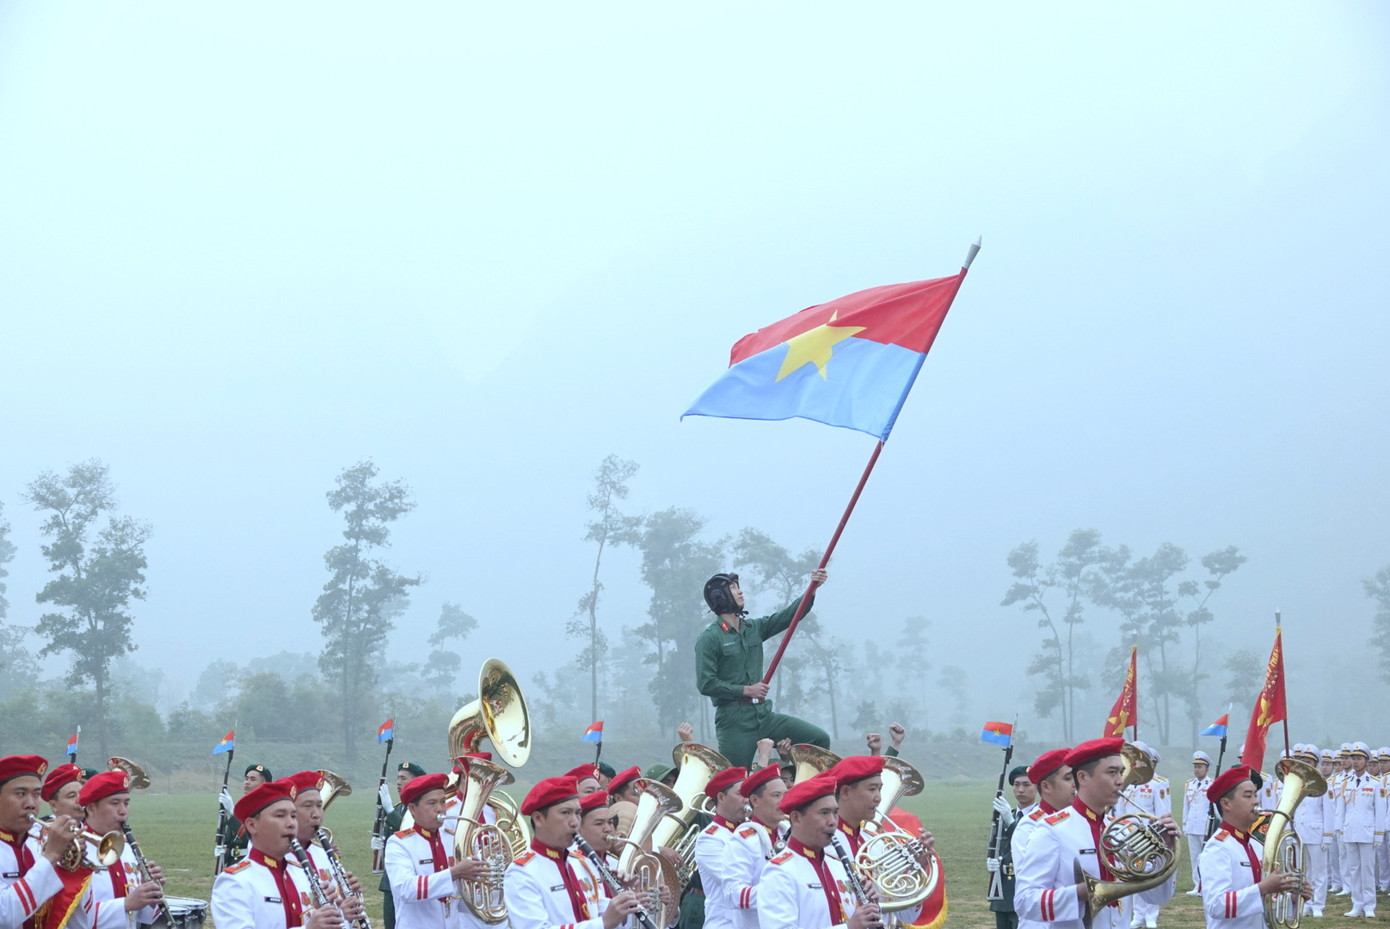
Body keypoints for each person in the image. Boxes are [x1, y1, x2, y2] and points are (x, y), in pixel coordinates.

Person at [1013, 737, 1178, 929]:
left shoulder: (1123, 830)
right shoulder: (1052, 830)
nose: (1120, 781)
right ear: (1083, 777)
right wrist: (1078, 893)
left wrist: (1165, 852)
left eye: (1121, 772)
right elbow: (1025, 902)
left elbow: (1158, 897)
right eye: (1112, 772)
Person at [694, 571, 832, 768]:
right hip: (734, 721)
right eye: (733, 588)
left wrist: (813, 588)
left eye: (738, 586)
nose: (740, 592)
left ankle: (803, 783)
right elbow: (706, 684)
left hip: (763, 715)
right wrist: (746, 690)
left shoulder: (753, 628)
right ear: (719, 596)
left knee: (818, 739)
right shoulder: (709, 638)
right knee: (736, 777)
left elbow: (790, 616)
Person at [504, 776, 645, 929]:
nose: (575, 822)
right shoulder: (522, 872)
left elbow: (606, 917)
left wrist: (623, 899)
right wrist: (603, 923)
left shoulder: (581, 863)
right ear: (538, 818)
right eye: (565, 813)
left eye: (577, 813)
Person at [211, 780, 344, 929]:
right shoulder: (234, 882)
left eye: (293, 816)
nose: (291, 823)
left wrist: (339, 914)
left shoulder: (302, 875)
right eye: (280, 816)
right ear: (252, 825)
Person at [756, 773, 877, 929]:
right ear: (796, 818)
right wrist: (848, 928)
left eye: (835, 813)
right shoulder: (779, 872)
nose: (833, 822)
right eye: (824, 813)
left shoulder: (838, 865)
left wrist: (869, 907)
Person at [1198, 765, 1309, 928]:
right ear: (1226, 804)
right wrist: (1263, 888)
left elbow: (1263, 906)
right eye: (1248, 796)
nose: (1256, 801)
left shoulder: (1256, 845)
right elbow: (1216, 905)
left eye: (1256, 795)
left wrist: (1293, 899)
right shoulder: (1218, 848)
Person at [385, 772, 491, 929]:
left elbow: (461, 899)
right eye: (432, 803)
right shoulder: (399, 843)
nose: (440, 809)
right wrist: (454, 872)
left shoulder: (453, 839)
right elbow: (406, 889)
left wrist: (485, 867)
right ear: (413, 809)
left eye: (443, 802)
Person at [0, 755, 90, 929]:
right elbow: (5, 916)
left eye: (36, 795)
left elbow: (72, 919)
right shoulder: (47, 850)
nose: (31, 804)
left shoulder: (36, 845)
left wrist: (70, 867)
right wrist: (52, 856)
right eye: (20, 794)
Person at [78, 770, 164, 929]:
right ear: (91, 808)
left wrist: (149, 893)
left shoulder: (129, 847)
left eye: (126, 803)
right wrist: (126, 903)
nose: (123, 810)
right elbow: (72, 917)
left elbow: (142, 918)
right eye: (114, 803)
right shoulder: (75, 850)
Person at [278, 772, 363, 914]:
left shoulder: (324, 854)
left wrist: (347, 899)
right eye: (307, 806)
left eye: (319, 806)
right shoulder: (277, 858)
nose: (317, 814)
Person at [725, 763, 789, 929]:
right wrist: (779, 891)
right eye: (776, 795)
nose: (784, 801)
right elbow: (733, 894)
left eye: (786, 794)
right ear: (755, 800)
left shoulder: (789, 833)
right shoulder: (743, 840)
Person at [1122, 742, 1170, 929]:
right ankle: (1138, 914)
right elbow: (1120, 812)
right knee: (1132, 875)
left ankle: (1151, 916)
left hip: (1148, 837)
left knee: (1150, 875)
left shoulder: (1157, 784)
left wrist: (1159, 838)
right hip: (1127, 836)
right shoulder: (1125, 782)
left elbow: (1162, 814)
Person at [694, 768, 749, 929]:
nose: (746, 800)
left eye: (747, 794)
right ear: (721, 797)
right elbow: (737, 879)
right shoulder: (710, 838)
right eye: (740, 793)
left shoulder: (750, 832)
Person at [1337, 742, 1382, 918]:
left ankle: (1369, 905)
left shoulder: (1375, 783)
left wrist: (1378, 834)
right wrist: (1340, 831)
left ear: (1366, 761)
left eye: (1359, 759)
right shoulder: (1346, 782)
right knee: (1354, 869)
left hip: (1367, 832)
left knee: (1368, 870)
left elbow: (1380, 811)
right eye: (1353, 758)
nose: (1355, 762)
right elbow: (1341, 809)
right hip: (1350, 831)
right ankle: (1357, 904)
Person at [380, 762, 427, 929]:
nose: (398, 782)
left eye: (403, 778)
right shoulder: (399, 808)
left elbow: (411, 832)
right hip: (390, 881)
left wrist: (390, 812)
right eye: (398, 778)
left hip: (411, 877)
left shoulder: (420, 809)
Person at [987, 765, 1035, 929]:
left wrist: (1011, 822)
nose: (1020, 790)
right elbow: (997, 844)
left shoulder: (1042, 817)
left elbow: (1029, 845)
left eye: (1026, 784)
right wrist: (991, 861)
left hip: (1026, 889)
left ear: (1037, 787)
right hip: (1004, 893)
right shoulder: (1006, 816)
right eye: (1016, 784)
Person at [1011, 748, 1073, 864]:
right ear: (1046, 787)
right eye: (1068, 778)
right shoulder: (1029, 827)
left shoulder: (1078, 818)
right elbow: (1028, 874)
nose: (1075, 784)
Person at [1289, 745, 1328, 916]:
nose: (1307, 764)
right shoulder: (1297, 783)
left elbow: (1328, 813)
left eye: (1310, 762)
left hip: (1317, 834)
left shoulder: (1323, 785)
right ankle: (1306, 903)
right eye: (1304, 761)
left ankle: (1318, 905)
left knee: (1319, 872)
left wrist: (1327, 836)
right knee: (1302, 872)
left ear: (1315, 764)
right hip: (1300, 833)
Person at [221, 764, 275, 870]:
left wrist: (232, 812)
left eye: (252, 779)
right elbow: (230, 839)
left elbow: (254, 839)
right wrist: (223, 851)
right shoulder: (242, 807)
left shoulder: (269, 809)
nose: (247, 782)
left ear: (265, 784)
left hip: (253, 865)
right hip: (234, 864)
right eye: (246, 779)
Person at [1182, 752, 1213, 894]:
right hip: (1192, 826)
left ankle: (1206, 885)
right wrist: (1185, 824)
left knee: (1206, 858)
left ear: (1207, 768)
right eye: (1195, 767)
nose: (1197, 769)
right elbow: (1186, 806)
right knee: (1194, 858)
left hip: (1205, 826)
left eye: (1200, 767)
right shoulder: (1190, 784)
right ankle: (1197, 885)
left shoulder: (1211, 784)